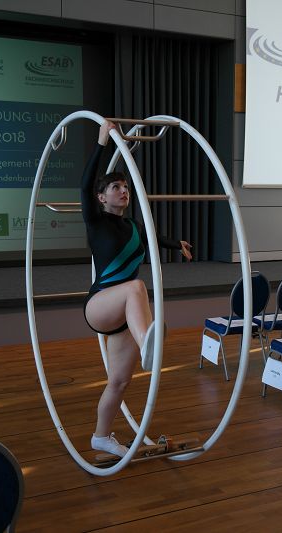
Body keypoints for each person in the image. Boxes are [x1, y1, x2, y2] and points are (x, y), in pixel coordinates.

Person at [82, 120, 192, 457]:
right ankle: (148, 343)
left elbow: (154, 240)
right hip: (100, 306)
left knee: (119, 381)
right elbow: (85, 184)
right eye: (115, 187)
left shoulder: (132, 226)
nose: (123, 191)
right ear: (102, 197)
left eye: (125, 186)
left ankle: (101, 437)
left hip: (123, 317)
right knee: (136, 287)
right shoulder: (95, 221)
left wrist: (177, 244)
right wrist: (101, 142)